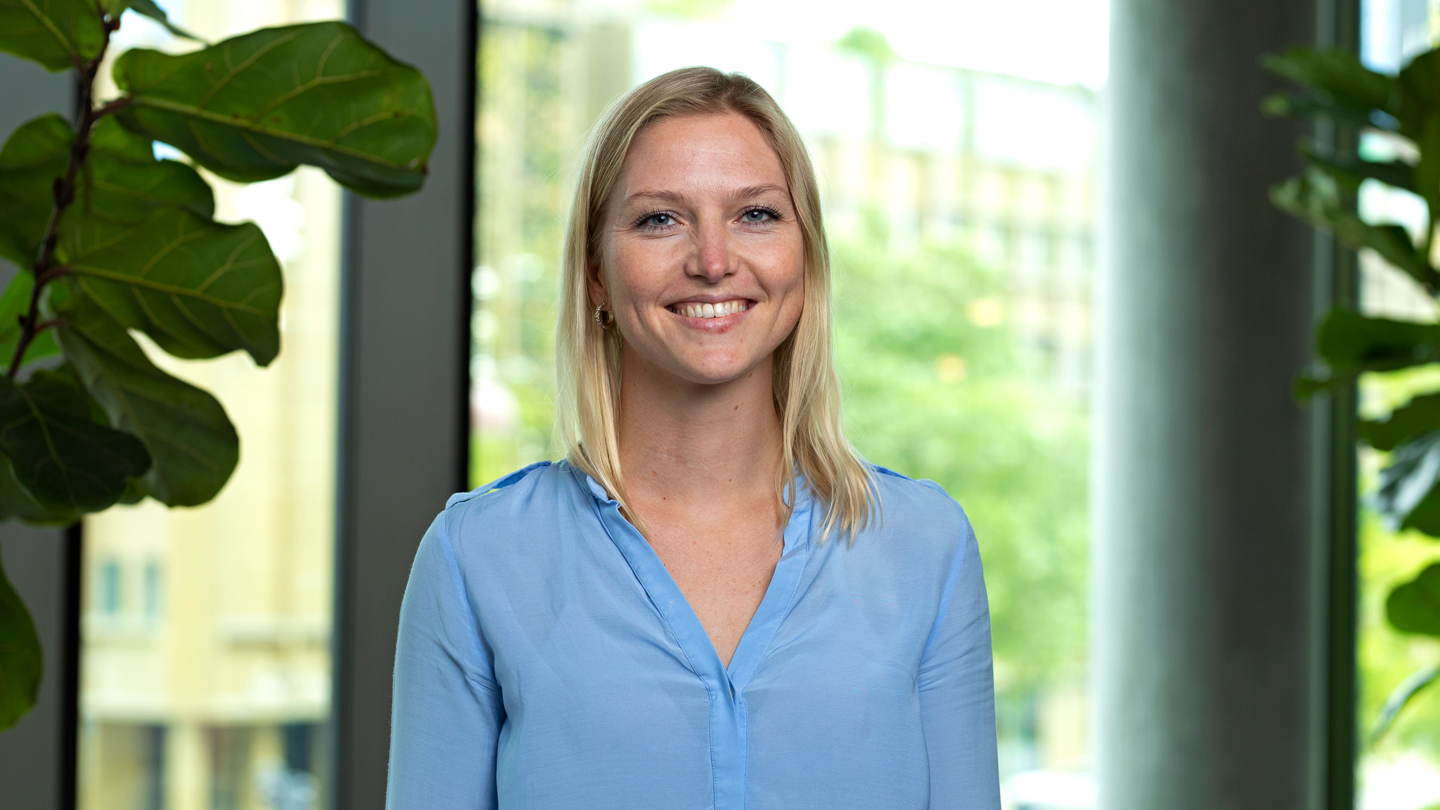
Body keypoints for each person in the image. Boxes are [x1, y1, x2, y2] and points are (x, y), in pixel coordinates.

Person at [386, 66, 1000, 810]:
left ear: (806, 257)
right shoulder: (475, 558)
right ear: (596, 275)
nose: (713, 261)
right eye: (659, 220)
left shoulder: (924, 547)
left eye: (757, 216)